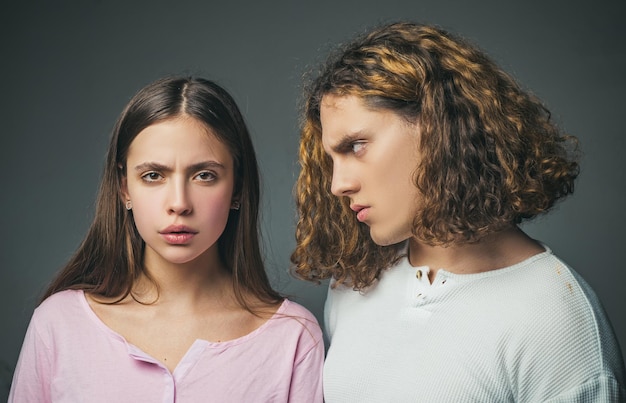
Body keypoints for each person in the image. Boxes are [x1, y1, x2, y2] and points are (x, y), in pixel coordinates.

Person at [291, 22, 625, 402]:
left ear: (438, 129)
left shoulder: (557, 321)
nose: (338, 184)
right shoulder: (352, 286)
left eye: (356, 145)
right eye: (331, 158)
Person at [9, 76, 324, 402]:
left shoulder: (293, 339)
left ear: (238, 188)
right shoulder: (59, 325)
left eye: (204, 175)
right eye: (153, 176)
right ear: (124, 188)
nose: (179, 203)